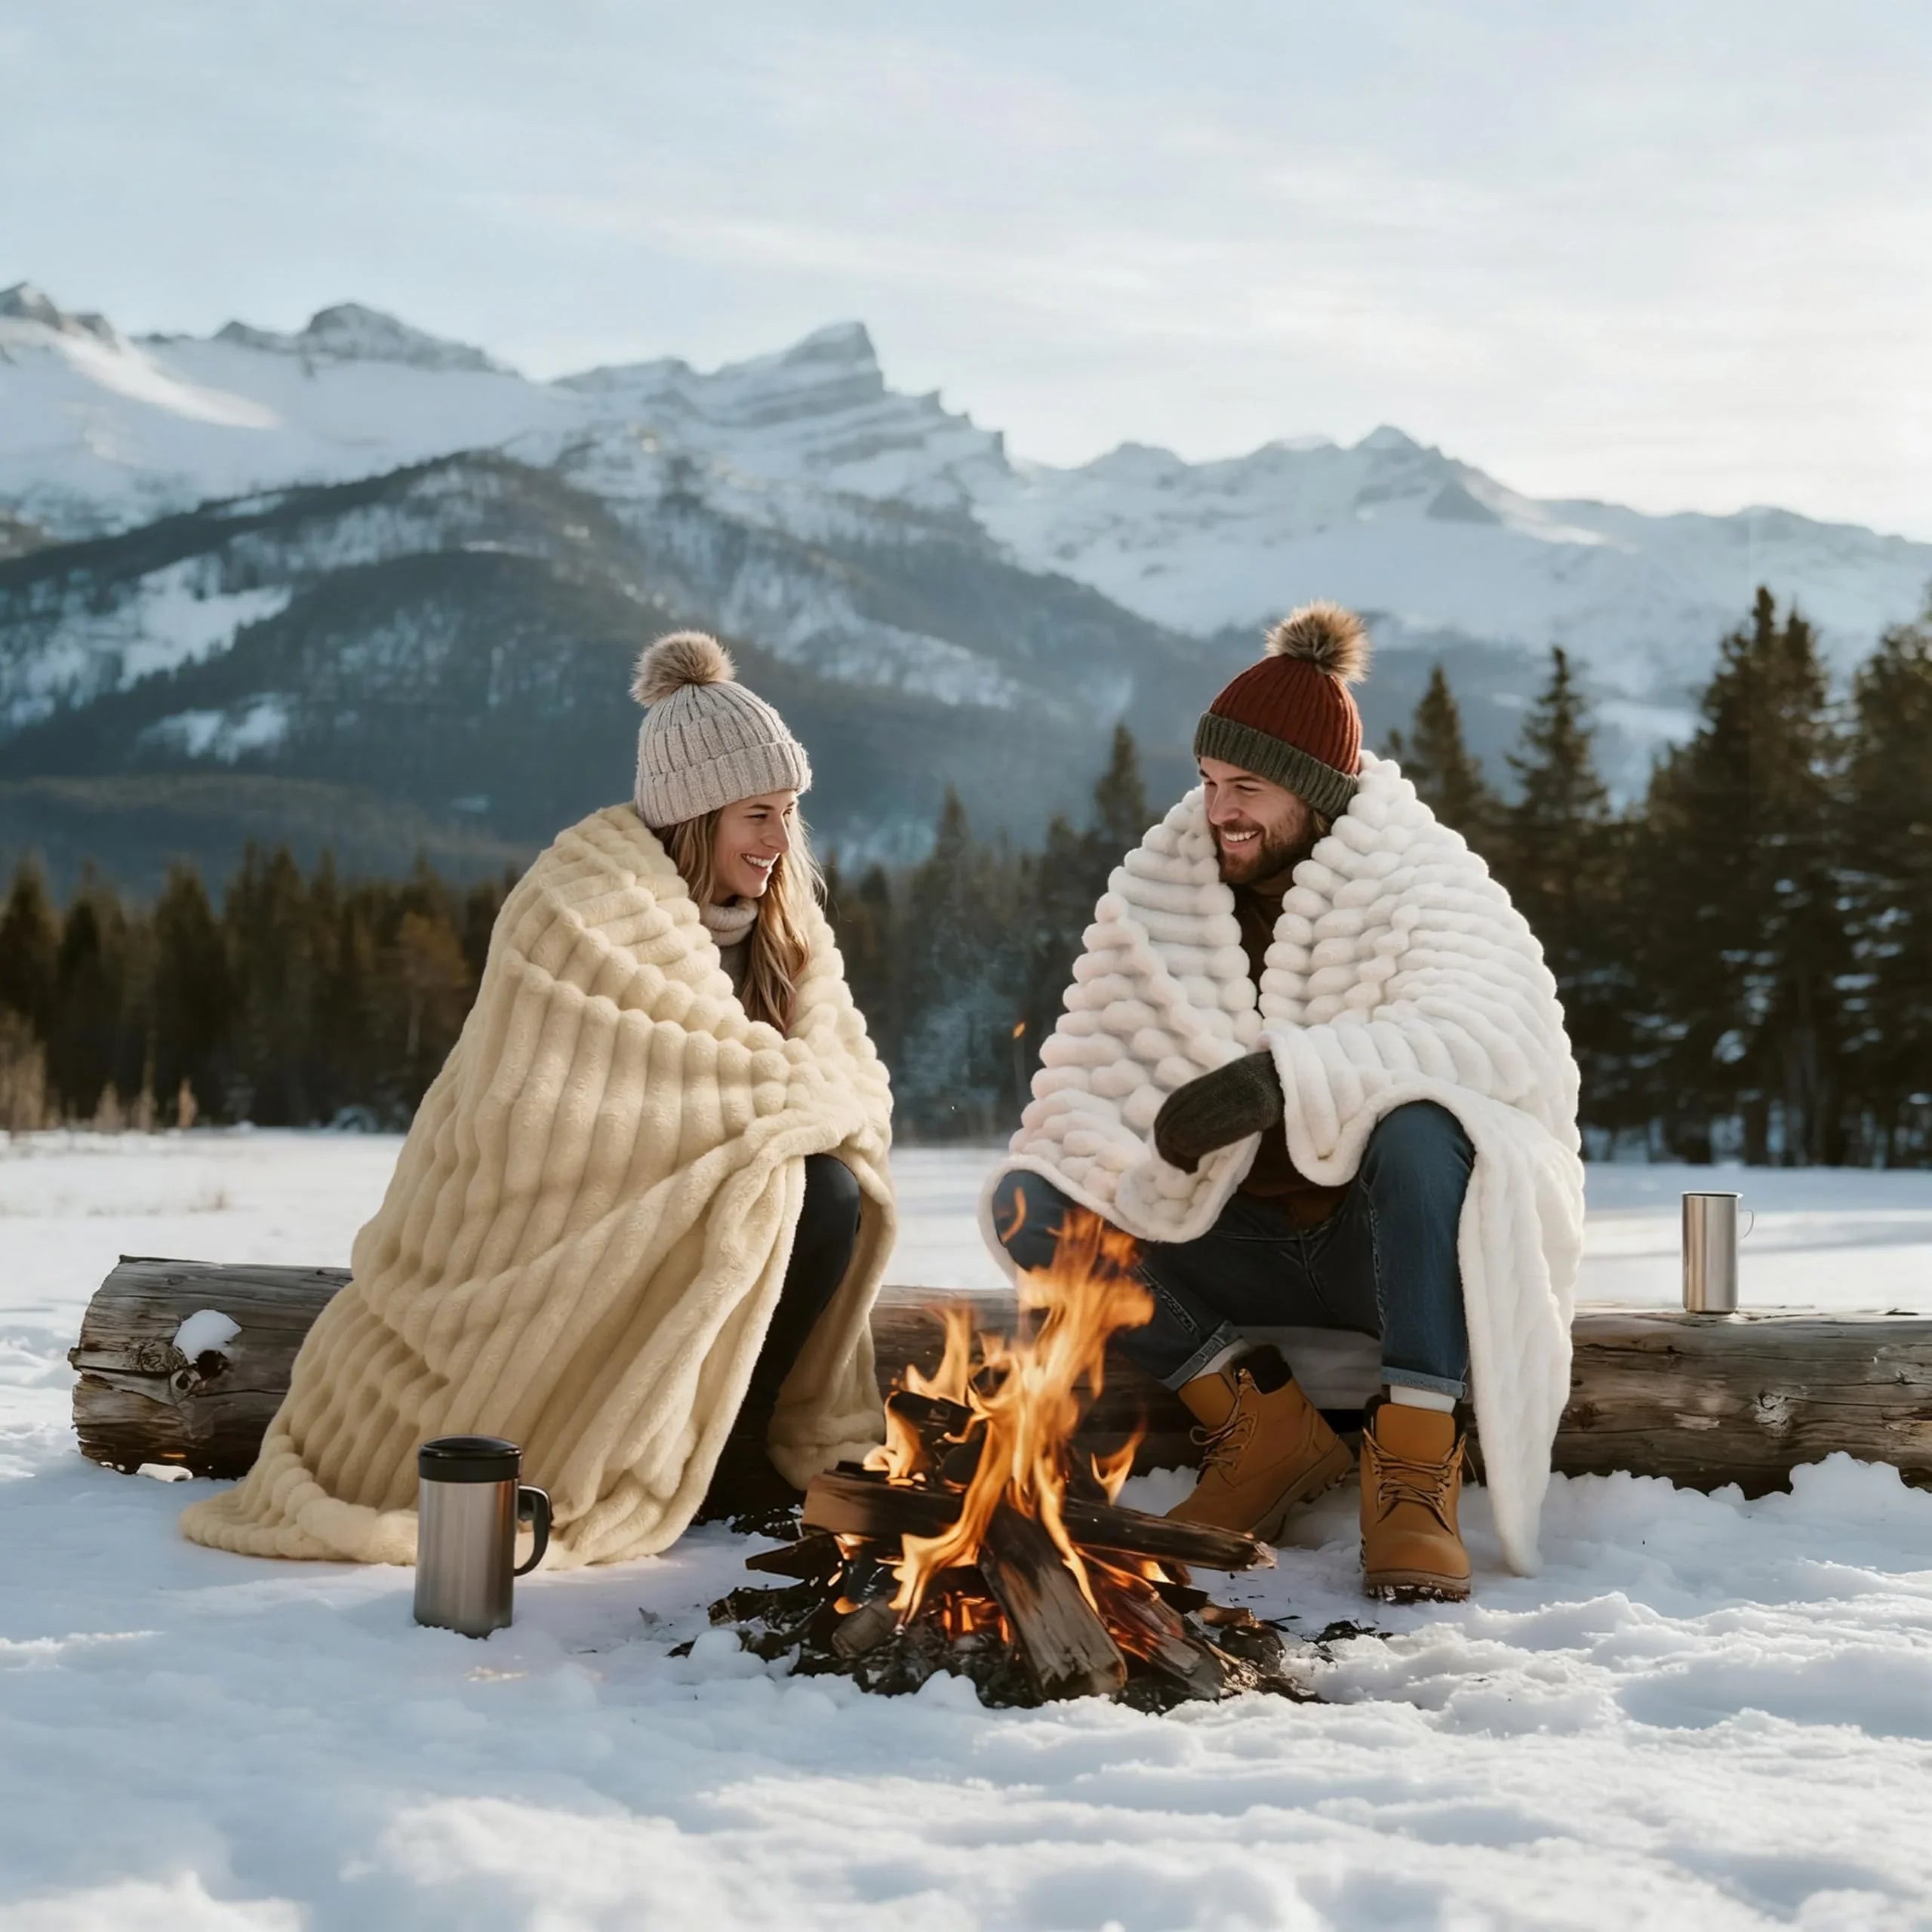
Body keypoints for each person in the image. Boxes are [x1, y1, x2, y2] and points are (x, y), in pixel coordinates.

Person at [183, 632, 894, 1567]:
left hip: (686, 1193)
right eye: (756, 814)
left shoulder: (785, 933)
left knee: (822, 1187)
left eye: (788, 814)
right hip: (544, 1218)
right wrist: (767, 1115)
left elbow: (842, 1076)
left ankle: (734, 1446)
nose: (777, 841)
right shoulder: (579, 908)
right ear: (693, 816)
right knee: (795, 1182)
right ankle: (678, 1451)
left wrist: (773, 1119)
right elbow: (556, 1106)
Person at [986, 603, 1583, 1601]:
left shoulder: (1421, 880)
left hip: (1385, 1246)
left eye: (1248, 788)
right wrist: (1134, 1153)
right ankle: (1259, 1429)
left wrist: (1280, 1081)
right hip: (1227, 1240)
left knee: (1429, 1122)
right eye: (1212, 782)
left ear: (1313, 791)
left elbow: (1492, 1039)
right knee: (1028, 1195)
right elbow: (1078, 1086)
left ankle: (1416, 1465)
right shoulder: (1160, 893)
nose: (1221, 809)